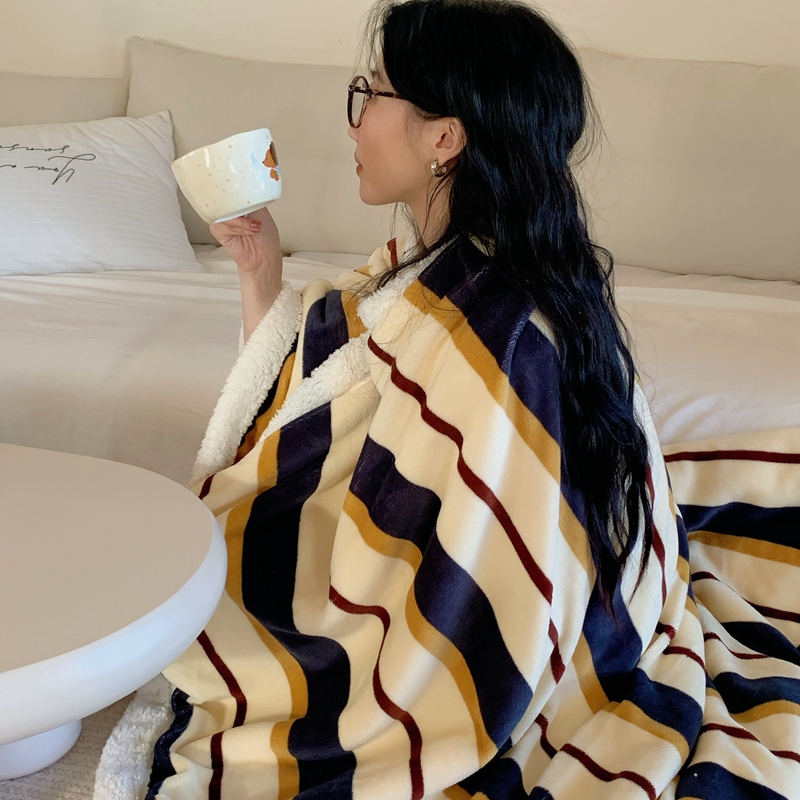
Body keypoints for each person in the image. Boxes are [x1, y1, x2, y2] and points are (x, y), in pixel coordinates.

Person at [144, 1, 799, 798]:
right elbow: (317, 388)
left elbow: (460, 571)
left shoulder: (498, 334)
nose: (354, 121)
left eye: (371, 93)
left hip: (533, 640)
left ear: (445, 138)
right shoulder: (442, 266)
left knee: (235, 601)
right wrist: (260, 271)